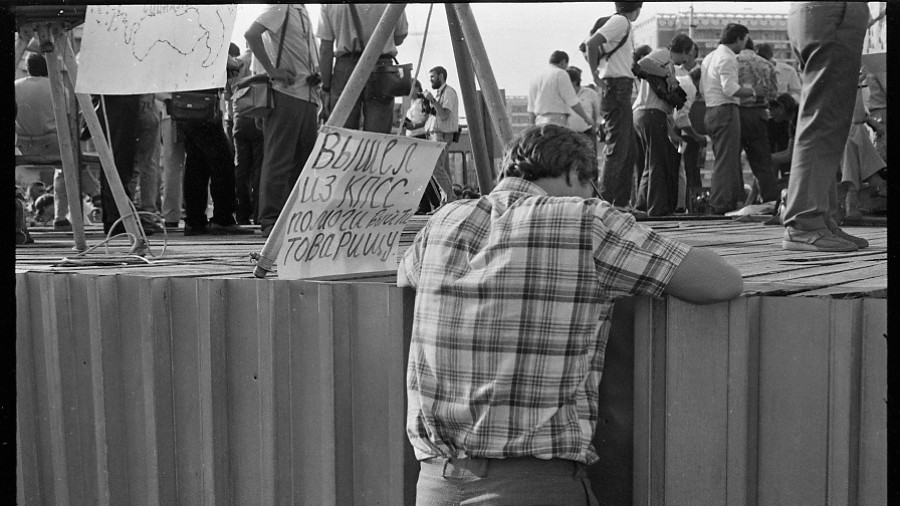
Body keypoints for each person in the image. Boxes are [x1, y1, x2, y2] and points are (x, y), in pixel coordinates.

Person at [399, 124, 742, 505]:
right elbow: (720, 282)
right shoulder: (586, 220)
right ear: (574, 174)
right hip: (532, 487)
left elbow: (407, 278)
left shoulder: (442, 222)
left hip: (436, 485)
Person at [781, 2, 869, 252]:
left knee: (826, 118)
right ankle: (806, 221)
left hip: (821, 13)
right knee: (825, 117)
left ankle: (820, 218)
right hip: (834, 13)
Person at [246, 4, 321, 238]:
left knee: (303, 161)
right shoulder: (280, 8)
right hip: (287, 94)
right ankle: (270, 219)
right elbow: (251, 34)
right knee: (279, 158)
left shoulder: (302, 12)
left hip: (307, 96)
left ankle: (293, 217)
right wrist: (272, 70)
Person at [15, 53, 100, 232]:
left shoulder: (15, 86)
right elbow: (70, 119)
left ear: (28, 68)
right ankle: (64, 214)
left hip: (22, 144)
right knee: (67, 167)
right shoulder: (56, 86)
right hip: (52, 140)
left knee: (67, 166)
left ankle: (94, 195)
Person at [584, 2, 642, 210]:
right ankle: (606, 202)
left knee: (630, 150)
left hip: (620, 88)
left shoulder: (623, 24)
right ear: (637, 7)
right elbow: (592, 43)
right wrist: (595, 76)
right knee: (618, 149)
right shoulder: (620, 21)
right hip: (616, 88)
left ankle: (621, 203)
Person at [317, 3, 408, 134]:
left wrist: (326, 88)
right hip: (381, 65)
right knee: (378, 136)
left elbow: (325, 48)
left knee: (342, 133)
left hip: (346, 65)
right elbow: (400, 36)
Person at [632, 34, 695, 216]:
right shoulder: (663, 55)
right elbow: (641, 64)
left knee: (650, 163)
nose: (687, 59)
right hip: (651, 112)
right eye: (688, 54)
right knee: (658, 162)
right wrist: (668, 75)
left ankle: (642, 205)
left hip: (644, 113)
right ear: (682, 51)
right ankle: (657, 208)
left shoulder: (668, 64)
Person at [700, 23, 757, 215]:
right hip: (726, 109)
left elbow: (702, 88)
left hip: (710, 109)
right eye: (744, 40)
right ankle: (720, 203)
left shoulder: (710, 57)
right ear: (739, 39)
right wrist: (754, 92)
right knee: (727, 160)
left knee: (723, 158)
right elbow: (730, 89)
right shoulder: (728, 58)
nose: (744, 45)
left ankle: (729, 199)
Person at [736, 37, 780, 206]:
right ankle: (769, 202)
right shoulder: (767, 65)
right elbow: (774, 93)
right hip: (759, 114)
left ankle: (737, 199)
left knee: (733, 161)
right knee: (762, 161)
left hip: (737, 114)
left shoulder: (732, 61)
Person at [227, 42, 265, 225]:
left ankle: (242, 213)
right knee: (259, 167)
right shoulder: (262, 60)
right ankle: (259, 212)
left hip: (239, 117)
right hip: (258, 115)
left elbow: (227, 94)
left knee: (241, 168)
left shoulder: (236, 63)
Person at [840, 67, 885, 220]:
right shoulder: (843, 81)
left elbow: (859, 113)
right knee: (855, 134)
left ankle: (858, 198)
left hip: (853, 131)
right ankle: (856, 202)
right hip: (844, 132)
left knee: (857, 135)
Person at [527, 51, 594, 129]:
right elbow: (572, 101)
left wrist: (531, 127)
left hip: (539, 122)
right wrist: (586, 118)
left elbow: (531, 108)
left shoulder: (536, 77)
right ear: (563, 62)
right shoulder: (561, 73)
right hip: (556, 121)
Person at [423, 66, 460, 204]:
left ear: (441, 76)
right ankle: (446, 201)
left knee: (436, 168)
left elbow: (444, 114)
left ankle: (450, 198)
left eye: (433, 76)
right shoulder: (440, 93)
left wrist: (432, 100)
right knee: (443, 169)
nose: (431, 80)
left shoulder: (449, 92)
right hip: (436, 134)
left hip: (442, 135)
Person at [566, 66, 601, 147]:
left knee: (589, 158)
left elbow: (596, 112)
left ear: (575, 82)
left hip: (586, 134)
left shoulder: (590, 94)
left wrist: (594, 126)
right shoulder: (562, 95)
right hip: (567, 136)